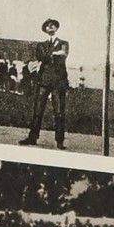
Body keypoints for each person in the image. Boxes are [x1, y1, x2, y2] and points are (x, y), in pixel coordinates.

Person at [23, 18, 72, 148]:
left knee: (59, 112)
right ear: (45, 29)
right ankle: (32, 137)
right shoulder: (41, 45)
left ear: (56, 28)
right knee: (38, 110)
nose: (50, 27)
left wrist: (50, 56)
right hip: (44, 80)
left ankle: (60, 141)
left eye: (52, 25)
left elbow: (63, 54)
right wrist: (55, 54)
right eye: (47, 26)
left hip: (59, 81)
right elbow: (42, 57)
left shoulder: (64, 43)